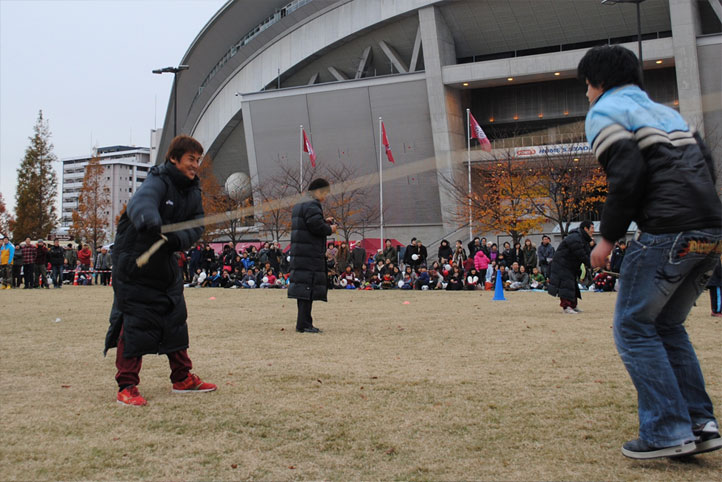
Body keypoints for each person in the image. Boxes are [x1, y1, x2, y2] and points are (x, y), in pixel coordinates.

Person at [579, 44, 722, 458]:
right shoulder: (668, 113)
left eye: (587, 86)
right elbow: (706, 167)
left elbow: (627, 176)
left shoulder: (606, 111)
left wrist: (607, 238)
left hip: (666, 230)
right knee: (666, 327)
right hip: (708, 231)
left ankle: (666, 430)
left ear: (598, 82)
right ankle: (699, 423)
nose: (586, 94)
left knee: (633, 328)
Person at [104, 135, 216, 407]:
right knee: (135, 321)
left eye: (197, 160)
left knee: (174, 316)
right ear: (174, 159)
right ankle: (127, 385)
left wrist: (176, 240)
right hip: (135, 261)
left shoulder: (193, 191)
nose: (195, 165)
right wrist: (151, 222)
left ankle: (182, 377)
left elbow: (196, 226)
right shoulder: (157, 180)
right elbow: (140, 204)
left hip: (164, 262)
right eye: (191, 159)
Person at [288, 178, 337, 334]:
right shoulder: (312, 204)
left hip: (301, 252)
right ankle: (304, 324)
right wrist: (330, 229)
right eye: (324, 193)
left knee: (303, 289)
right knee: (307, 288)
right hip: (309, 254)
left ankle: (304, 322)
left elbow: (309, 222)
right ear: (318, 191)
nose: (325, 197)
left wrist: (323, 220)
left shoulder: (302, 202)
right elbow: (315, 226)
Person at [547, 221, 593, 314]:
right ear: (585, 228)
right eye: (592, 228)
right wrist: (590, 264)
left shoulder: (584, 239)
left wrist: (594, 263)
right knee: (566, 285)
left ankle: (573, 305)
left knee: (573, 285)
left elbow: (588, 254)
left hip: (570, 265)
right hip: (562, 264)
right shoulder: (575, 237)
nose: (593, 230)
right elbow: (581, 254)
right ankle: (566, 306)